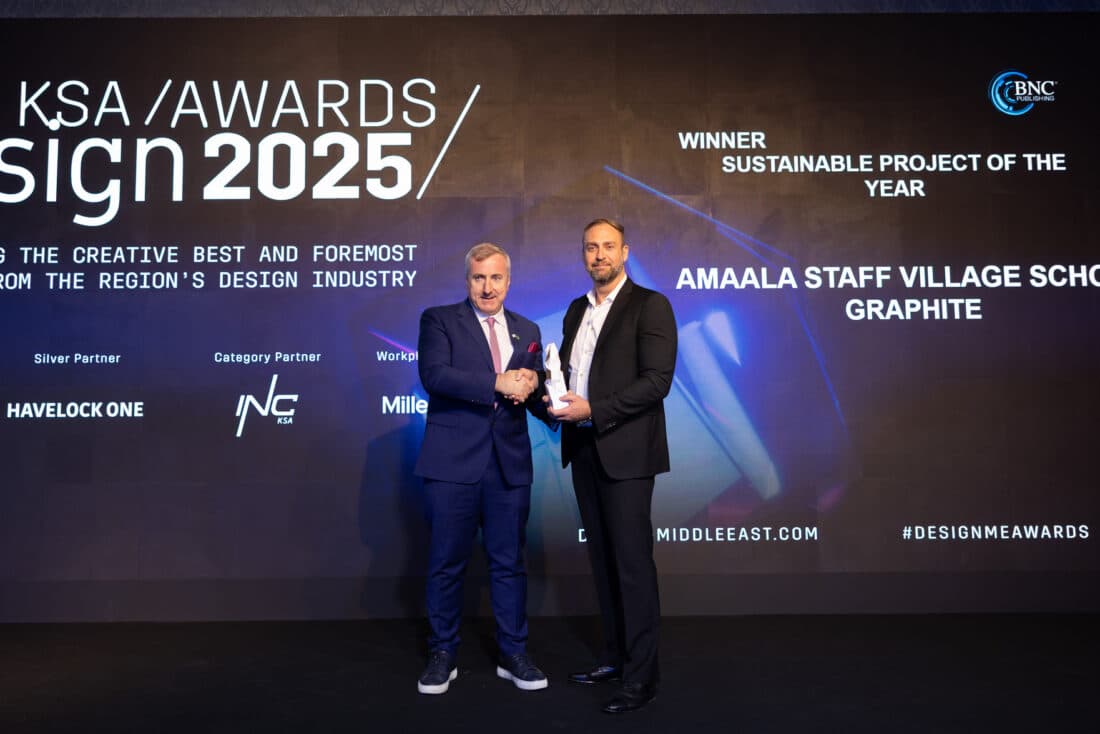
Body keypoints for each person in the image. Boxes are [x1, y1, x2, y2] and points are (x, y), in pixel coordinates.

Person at [547, 218, 677, 713]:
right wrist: (546, 397)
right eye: (590, 247)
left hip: (627, 452)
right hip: (583, 448)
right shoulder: (576, 308)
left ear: (625, 252)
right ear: (583, 254)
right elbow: (567, 375)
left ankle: (642, 676)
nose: (599, 255)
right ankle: (616, 658)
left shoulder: (650, 305)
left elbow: (657, 381)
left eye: (608, 246)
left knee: (632, 565)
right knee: (603, 562)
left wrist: (594, 410)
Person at [413, 242, 550, 695]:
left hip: (508, 465)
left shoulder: (528, 329)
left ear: (508, 281)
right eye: (479, 278)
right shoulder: (439, 320)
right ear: (467, 280)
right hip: (452, 463)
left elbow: (530, 395)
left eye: (496, 278)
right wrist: (498, 381)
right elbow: (435, 376)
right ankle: (442, 654)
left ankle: (514, 654)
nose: (487, 287)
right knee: (446, 563)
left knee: (509, 563)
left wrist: (545, 393)